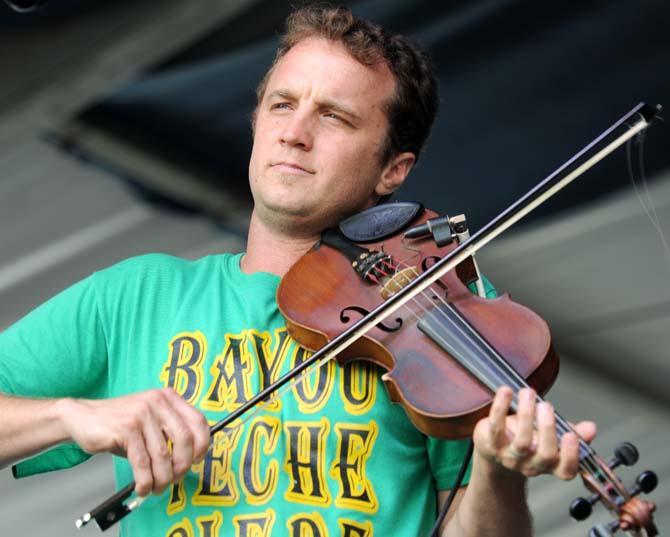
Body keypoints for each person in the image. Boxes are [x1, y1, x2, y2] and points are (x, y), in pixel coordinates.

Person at [0, 6, 596, 537]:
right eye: (282, 104)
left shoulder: (438, 302)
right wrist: (70, 414)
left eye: (334, 117)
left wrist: (496, 471)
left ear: (393, 169)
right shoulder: (137, 296)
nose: (295, 132)